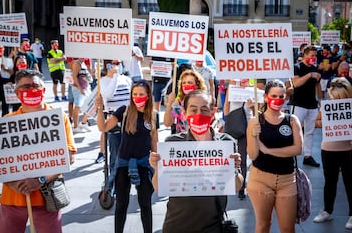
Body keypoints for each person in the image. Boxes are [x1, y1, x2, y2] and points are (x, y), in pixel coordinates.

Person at [149, 89, 243, 232]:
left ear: (213, 112)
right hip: (176, 225)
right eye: (193, 110)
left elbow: (236, 187)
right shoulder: (172, 143)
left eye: (204, 110)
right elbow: (158, 188)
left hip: (213, 227)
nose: (198, 114)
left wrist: (234, 169)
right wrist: (157, 168)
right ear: (184, 113)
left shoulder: (226, 143)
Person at [0, 69, 76, 233]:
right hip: (12, 198)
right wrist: (12, 183)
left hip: (47, 200)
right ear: (18, 94)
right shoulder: (7, 121)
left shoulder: (59, 117)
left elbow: (68, 157)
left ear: (43, 90)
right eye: (26, 87)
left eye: (35, 85)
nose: (31, 90)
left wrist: (40, 179)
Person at [96, 79, 157, 233]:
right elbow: (103, 127)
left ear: (148, 95)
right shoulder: (123, 111)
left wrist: (157, 166)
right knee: (122, 204)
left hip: (143, 164)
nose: (137, 97)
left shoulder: (153, 115)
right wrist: (99, 109)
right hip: (123, 164)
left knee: (145, 204)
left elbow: (154, 142)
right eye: (134, 94)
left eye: (141, 94)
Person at [246, 79, 303, 233]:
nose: (277, 100)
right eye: (273, 96)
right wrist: (253, 134)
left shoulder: (292, 120)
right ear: (265, 97)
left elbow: (298, 149)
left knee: (287, 228)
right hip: (261, 179)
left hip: (287, 180)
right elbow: (252, 154)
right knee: (263, 225)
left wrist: (269, 151)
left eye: (281, 96)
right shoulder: (255, 121)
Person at [312, 77, 352, 230]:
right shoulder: (326, 107)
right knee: (330, 182)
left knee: (350, 182)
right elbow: (316, 122)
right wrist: (324, 123)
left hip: (349, 149)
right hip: (329, 149)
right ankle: (327, 210)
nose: (334, 100)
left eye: (338, 97)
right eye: (332, 97)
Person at [290, 45, 322, 167]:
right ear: (305, 55)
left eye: (315, 56)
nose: (314, 58)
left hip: (312, 105)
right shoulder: (297, 67)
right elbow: (296, 83)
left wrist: (319, 99)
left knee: (310, 131)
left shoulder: (315, 68)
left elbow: (317, 86)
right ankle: (291, 156)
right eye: (312, 55)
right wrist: (309, 75)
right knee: (295, 130)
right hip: (299, 104)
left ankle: (307, 156)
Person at [96, 59, 132, 165]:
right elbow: (108, 94)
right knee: (116, 154)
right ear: (108, 65)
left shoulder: (126, 79)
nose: (118, 65)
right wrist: (114, 76)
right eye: (115, 63)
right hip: (114, 121)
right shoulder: (103, 81)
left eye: (119, 63)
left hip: (129, 120)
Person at [223, 79, 253, 200]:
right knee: (234, 156)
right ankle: (235, 182)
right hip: (235, 124)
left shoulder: (252, 88)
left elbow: (257, 108)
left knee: (243, 157)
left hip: (248, 126)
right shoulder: (233, 86)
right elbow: (226, 105)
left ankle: (241, 186)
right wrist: (228, 121)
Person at [163, 70, 207, 134]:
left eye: (189, 83)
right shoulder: (178, 103)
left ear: (197, 85)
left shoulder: (205, 101)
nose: (186, 85)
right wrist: (169, 104)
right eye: (184, 83)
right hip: (182, 140)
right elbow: (167, 123)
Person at [70, 58, 91, 134]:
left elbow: (85, 75)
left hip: (86, 87)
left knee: (90, 105)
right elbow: (74, 76)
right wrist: (79, 88)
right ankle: (75, 126)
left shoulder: (83, 63)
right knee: (78, 106)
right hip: (78, 88)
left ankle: (83, 123)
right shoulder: (77, 63)